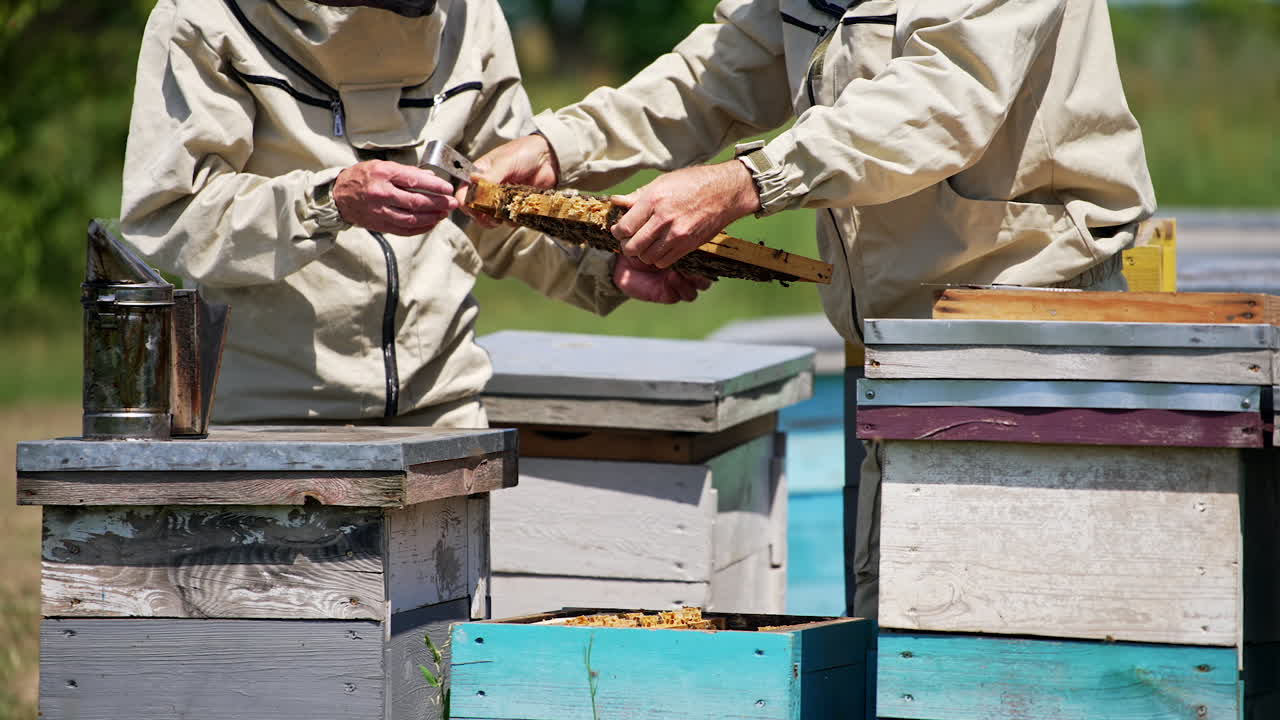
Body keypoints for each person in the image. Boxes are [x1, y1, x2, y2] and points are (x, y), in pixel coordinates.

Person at [471, 0, 1156, 618]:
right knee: (901, 617)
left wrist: (745, 181)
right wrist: (563, 146)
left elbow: (944, 99)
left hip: (1033, 323)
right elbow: (723, 69)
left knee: (1004, 623)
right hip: (898, 341)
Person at [119, 0, 709, 429]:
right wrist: (328, 201)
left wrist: (606, 267)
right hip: (266, 419)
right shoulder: (202, 20)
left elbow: (494, 211)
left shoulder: (471, 18)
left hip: (444, 415)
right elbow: (174, 215)